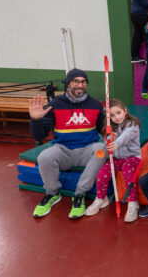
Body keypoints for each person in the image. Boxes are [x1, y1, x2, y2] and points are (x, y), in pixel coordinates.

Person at [29, 69, 106, 219]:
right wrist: (35, 120)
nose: (80, 85)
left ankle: (79, 194)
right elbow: (39, 135)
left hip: (87, 150)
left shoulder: (95, 104)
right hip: (63, 150)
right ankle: (52, 193)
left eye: (83, 81)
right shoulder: (54, 105)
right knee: (44, 156)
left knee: (101, 149)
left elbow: (102, 130)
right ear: (68, 83)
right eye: (76, 81)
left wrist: (110, 131)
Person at [84, 99, 142, 222]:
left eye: (118, 113)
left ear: (125, 111)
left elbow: (126, 137)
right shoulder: (111, 127)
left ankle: (133, 203)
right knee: (102, 173)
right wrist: (108, 139)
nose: (116, 117)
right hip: (116, 158)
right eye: (112, 115)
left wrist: (115, 143)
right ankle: (101, 198)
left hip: (132, 157)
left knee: (127, 170)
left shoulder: (133, 124)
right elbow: (107, 142)